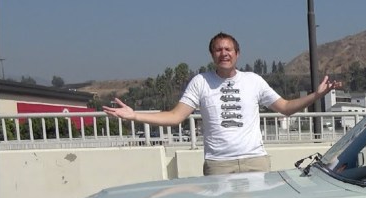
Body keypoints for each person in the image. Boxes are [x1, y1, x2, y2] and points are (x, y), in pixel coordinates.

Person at [103, 32, 343, 175]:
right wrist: (134, 116)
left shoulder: (253, 80)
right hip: (218, 166)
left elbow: (286, 108)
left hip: (255, 162)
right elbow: (175, 117)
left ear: (237, 54)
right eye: (218, 50)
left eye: (228, 49)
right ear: (212, 55)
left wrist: (316, 95)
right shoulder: (201, 82)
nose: (224, 53)